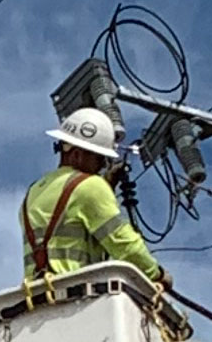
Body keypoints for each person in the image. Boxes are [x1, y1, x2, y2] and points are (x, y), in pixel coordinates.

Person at [22, 107, 165, 286]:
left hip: (36, 297)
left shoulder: (34, 191)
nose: (102, 166)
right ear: (77, 154)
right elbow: (122, 242)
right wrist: (156, 274)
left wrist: (107, 187)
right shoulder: (90, 187)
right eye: (100, 159)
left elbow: (70, 218)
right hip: (77, 297)